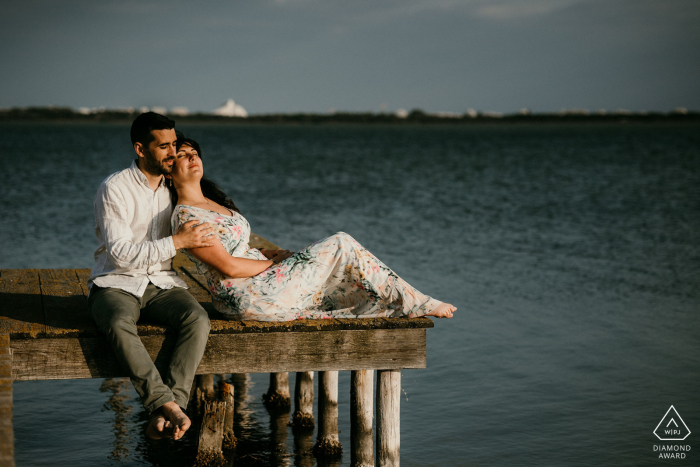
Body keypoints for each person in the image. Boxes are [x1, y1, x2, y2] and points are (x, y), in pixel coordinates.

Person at [167, 135, 457, 321]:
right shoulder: (188, 217)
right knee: (341, 243)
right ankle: (414, 301)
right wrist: (273, 263)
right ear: (169, 171)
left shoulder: (213, 203)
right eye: (183, 155)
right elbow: (228, 266)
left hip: (258, 283)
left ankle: (403, 301)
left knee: (336, 261)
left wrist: (275, 253)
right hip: (244, 295)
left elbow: (237, 247)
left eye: (195, 152)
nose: (193, 157)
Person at [87, 113, 215, 441]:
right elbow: (120, 254)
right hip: (116, 282)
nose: (172, 152)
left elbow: (215, 210)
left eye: (175, 144)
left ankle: (169, 407)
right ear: (140, 149)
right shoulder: (114, 188)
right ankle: (167, 405)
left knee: (197, 319)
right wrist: (178, 242)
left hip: (162, 282)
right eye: (164, 146)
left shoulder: (175, 185)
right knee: (117, 323)